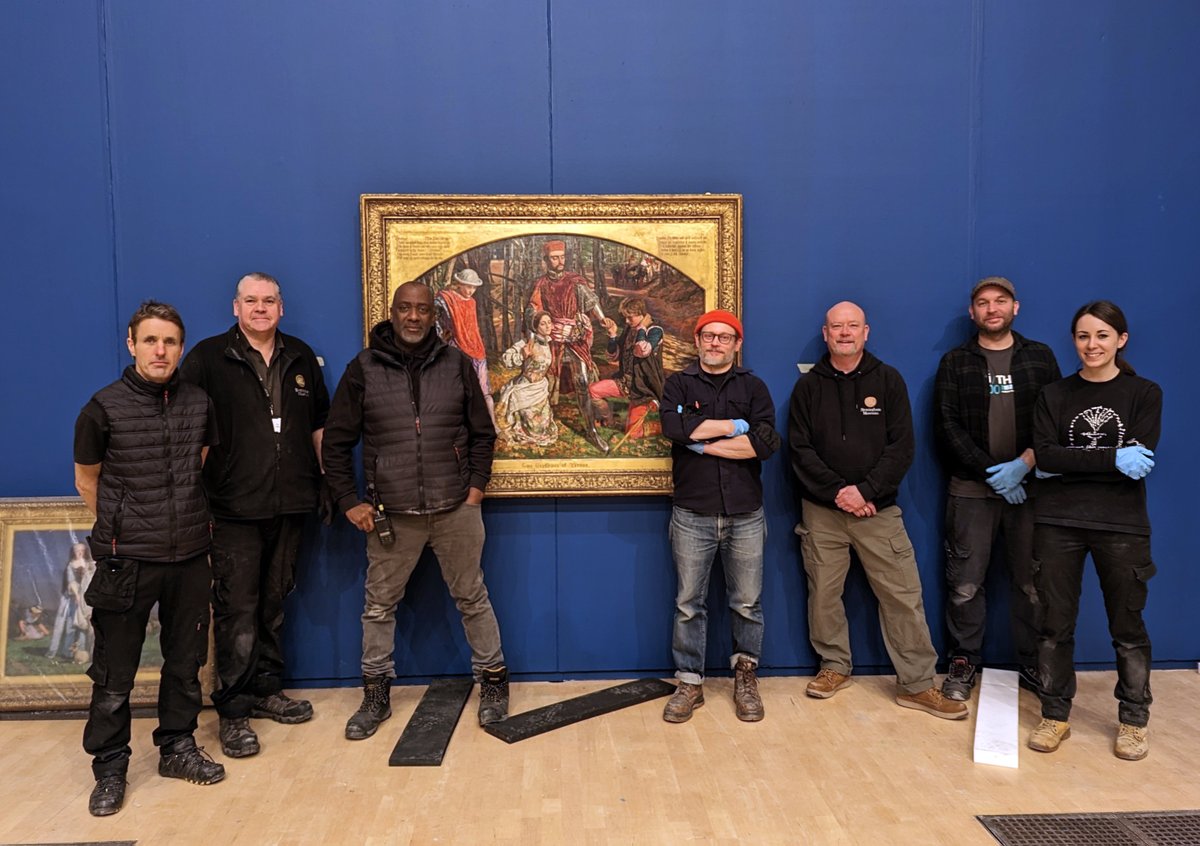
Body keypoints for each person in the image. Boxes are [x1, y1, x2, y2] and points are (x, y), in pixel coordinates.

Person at [323, 281, 509, 739]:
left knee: (473, 597)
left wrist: (475, 491)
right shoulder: (364, 368)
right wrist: (349, 501)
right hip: (392, 514)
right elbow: (335, 441)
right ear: (392, 311)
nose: (412, 317)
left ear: (434, 316)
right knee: (378, 606)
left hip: (455, 510)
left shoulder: (456, 364)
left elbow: (482, 434)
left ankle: (493, 683)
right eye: (405, 308)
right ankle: (376, 694)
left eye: (421, 310)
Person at [73, 301, 225, 817]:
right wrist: (121, 530)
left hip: (189, 555)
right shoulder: (103, 407)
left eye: (170, 342)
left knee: (185, 664)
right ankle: (110, 768)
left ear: (181, 348)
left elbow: (197, 464)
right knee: (115, 673)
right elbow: (86, 479)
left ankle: (177, 748)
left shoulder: (200, 403)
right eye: (151, 341)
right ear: (132, 344)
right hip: (126, 562)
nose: (161, 351)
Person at [788, 301, 967, 720]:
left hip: (877, 511)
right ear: (826, 333)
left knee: (903, 597)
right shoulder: (808, 387)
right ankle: (834, 667)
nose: (844, 333)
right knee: (824, 596)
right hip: (823, 512)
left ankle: (917, 684)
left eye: (852, 326)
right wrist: (839, 493)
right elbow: (800, 450)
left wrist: (866, 491)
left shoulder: (888, 380)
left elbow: (901, 447)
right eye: (837, 327)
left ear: (866, 332)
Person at [180, 272, 329, 759]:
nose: (260, 308)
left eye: (268, 301)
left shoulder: (301, 356)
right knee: (236, 611)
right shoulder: (207, 358)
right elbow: (187, 435)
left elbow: (319, 428)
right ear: (235, 307)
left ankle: (267, 690)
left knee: (273, 603)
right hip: (232, 509)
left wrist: (328, 484)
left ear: (281, 308)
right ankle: (234, 710)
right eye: (251, 301)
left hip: (291, 504)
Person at [1026, 301, 1162, 761]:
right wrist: (1109, 459)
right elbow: (1045, 456)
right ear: (1074, 341)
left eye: (1103, 335)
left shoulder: (1144, 393)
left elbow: (1139, 462)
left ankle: (1134, 721)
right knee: (1052, 627)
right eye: (1084, 336)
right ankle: (1055, 714)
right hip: (1057, 523)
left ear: (1120, 340)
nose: (1092, 345)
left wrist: (1071, 462)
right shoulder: (1054, 395)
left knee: (1128, 629)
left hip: (1122, 525)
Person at [933, 276, 1061, 700]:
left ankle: (1034, 664)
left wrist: (1022, 467)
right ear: (973, 313)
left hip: (1032, 493)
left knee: (1032, 583)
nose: (992, 309)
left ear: (1015, 307)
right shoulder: (956, 362)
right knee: (965, 584)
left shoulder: (1040, 358)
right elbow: (947, 428)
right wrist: (995, 473)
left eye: (1000, 301)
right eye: (983, 303)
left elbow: (1054, 423)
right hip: (971, 491)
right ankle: (963, 662)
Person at [660, 309, 779, 723]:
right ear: (697, 341)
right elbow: (674, 430)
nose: (715, 343)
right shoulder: (678, 383)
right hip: (692, 512)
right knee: (689, 604)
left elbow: (762, 445)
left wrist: (705, 441)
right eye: (708, 336)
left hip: (746, 512)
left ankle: (745, 677)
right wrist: (735, 427)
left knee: (747, 603)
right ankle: (690, 682)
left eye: (724, 337)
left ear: (736, 344)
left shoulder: (755, 386)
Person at [527, 240, 616, 453]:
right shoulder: (541, 284)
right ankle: (542, 425)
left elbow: (591, 301)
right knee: (544, 381)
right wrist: (535, 333)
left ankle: (591, 432)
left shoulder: (574, 281)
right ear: (546, 260)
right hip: (553, 338)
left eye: (562, 257)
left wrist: (603, 320)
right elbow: (532, 310)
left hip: (575, 338)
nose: (559, 261)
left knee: (582, 381)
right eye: (554, 258)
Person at [588, 297, 665, 441]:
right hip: (625, 382)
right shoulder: (630, 329)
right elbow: (613, 356)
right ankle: (610, 420)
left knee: (632, 435)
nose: (627, 322)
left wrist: (643, 327)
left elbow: (642, 350)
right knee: (593, 390)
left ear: (641, 313)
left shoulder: (655, 330)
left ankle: (661, 427)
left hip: (642, 389)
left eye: (630, 318)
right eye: (625, 318)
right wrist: (612, 335)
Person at [435, 268, 496, 424]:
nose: (471, 290)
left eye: (474, 287)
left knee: (484, 391)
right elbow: (437, 312)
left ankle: (493, 424)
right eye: (468, 286)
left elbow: (472, 327)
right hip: (456, 346)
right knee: (457, 389)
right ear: (460, 284)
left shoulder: (472, 302)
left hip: (475, 347)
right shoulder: (447, 298)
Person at [495, 310, 559, 447]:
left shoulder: (550, 344)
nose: (548, 326)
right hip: (525, 389)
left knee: (543, 429)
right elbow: (505, 360)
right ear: (536, 327)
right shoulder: (526, 342)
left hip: (540, 389)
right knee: (534, 430)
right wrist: (522, 356)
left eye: (549, 323)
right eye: (543, 324)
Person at [45, 542, 95, 662]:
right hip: (73, 598)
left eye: (81, 550)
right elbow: (71, 581)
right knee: (71, 625)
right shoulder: (71, 565)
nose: (79, 552)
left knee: (85, 625)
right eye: (76, 550)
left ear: (85, 551)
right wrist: (76, 595)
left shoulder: (90, 564)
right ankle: (68, 652)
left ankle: (84, 652)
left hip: (86, 597)